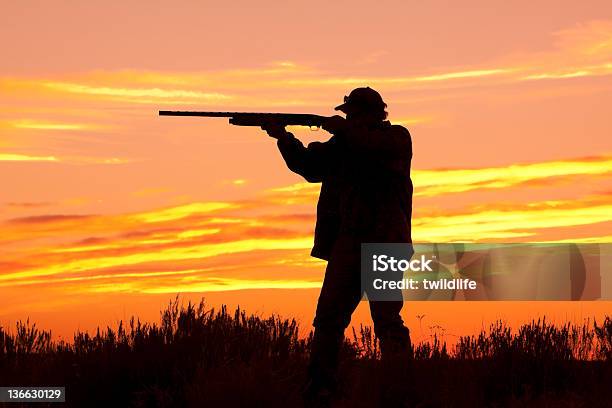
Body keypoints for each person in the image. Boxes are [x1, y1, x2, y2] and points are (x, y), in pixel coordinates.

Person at [262, 87, 413, 403]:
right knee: (328, 320)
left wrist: (339, 128)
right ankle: (320, 388)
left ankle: (400, 390)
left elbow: (369, 145)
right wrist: (282, 137)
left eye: (353, 113)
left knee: (386, 320)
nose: (349, 117)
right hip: (348, 243)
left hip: (385, 244)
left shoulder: (396, 138)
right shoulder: (343, 144)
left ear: (373, 114)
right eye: (348, 114)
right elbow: (309, 167)